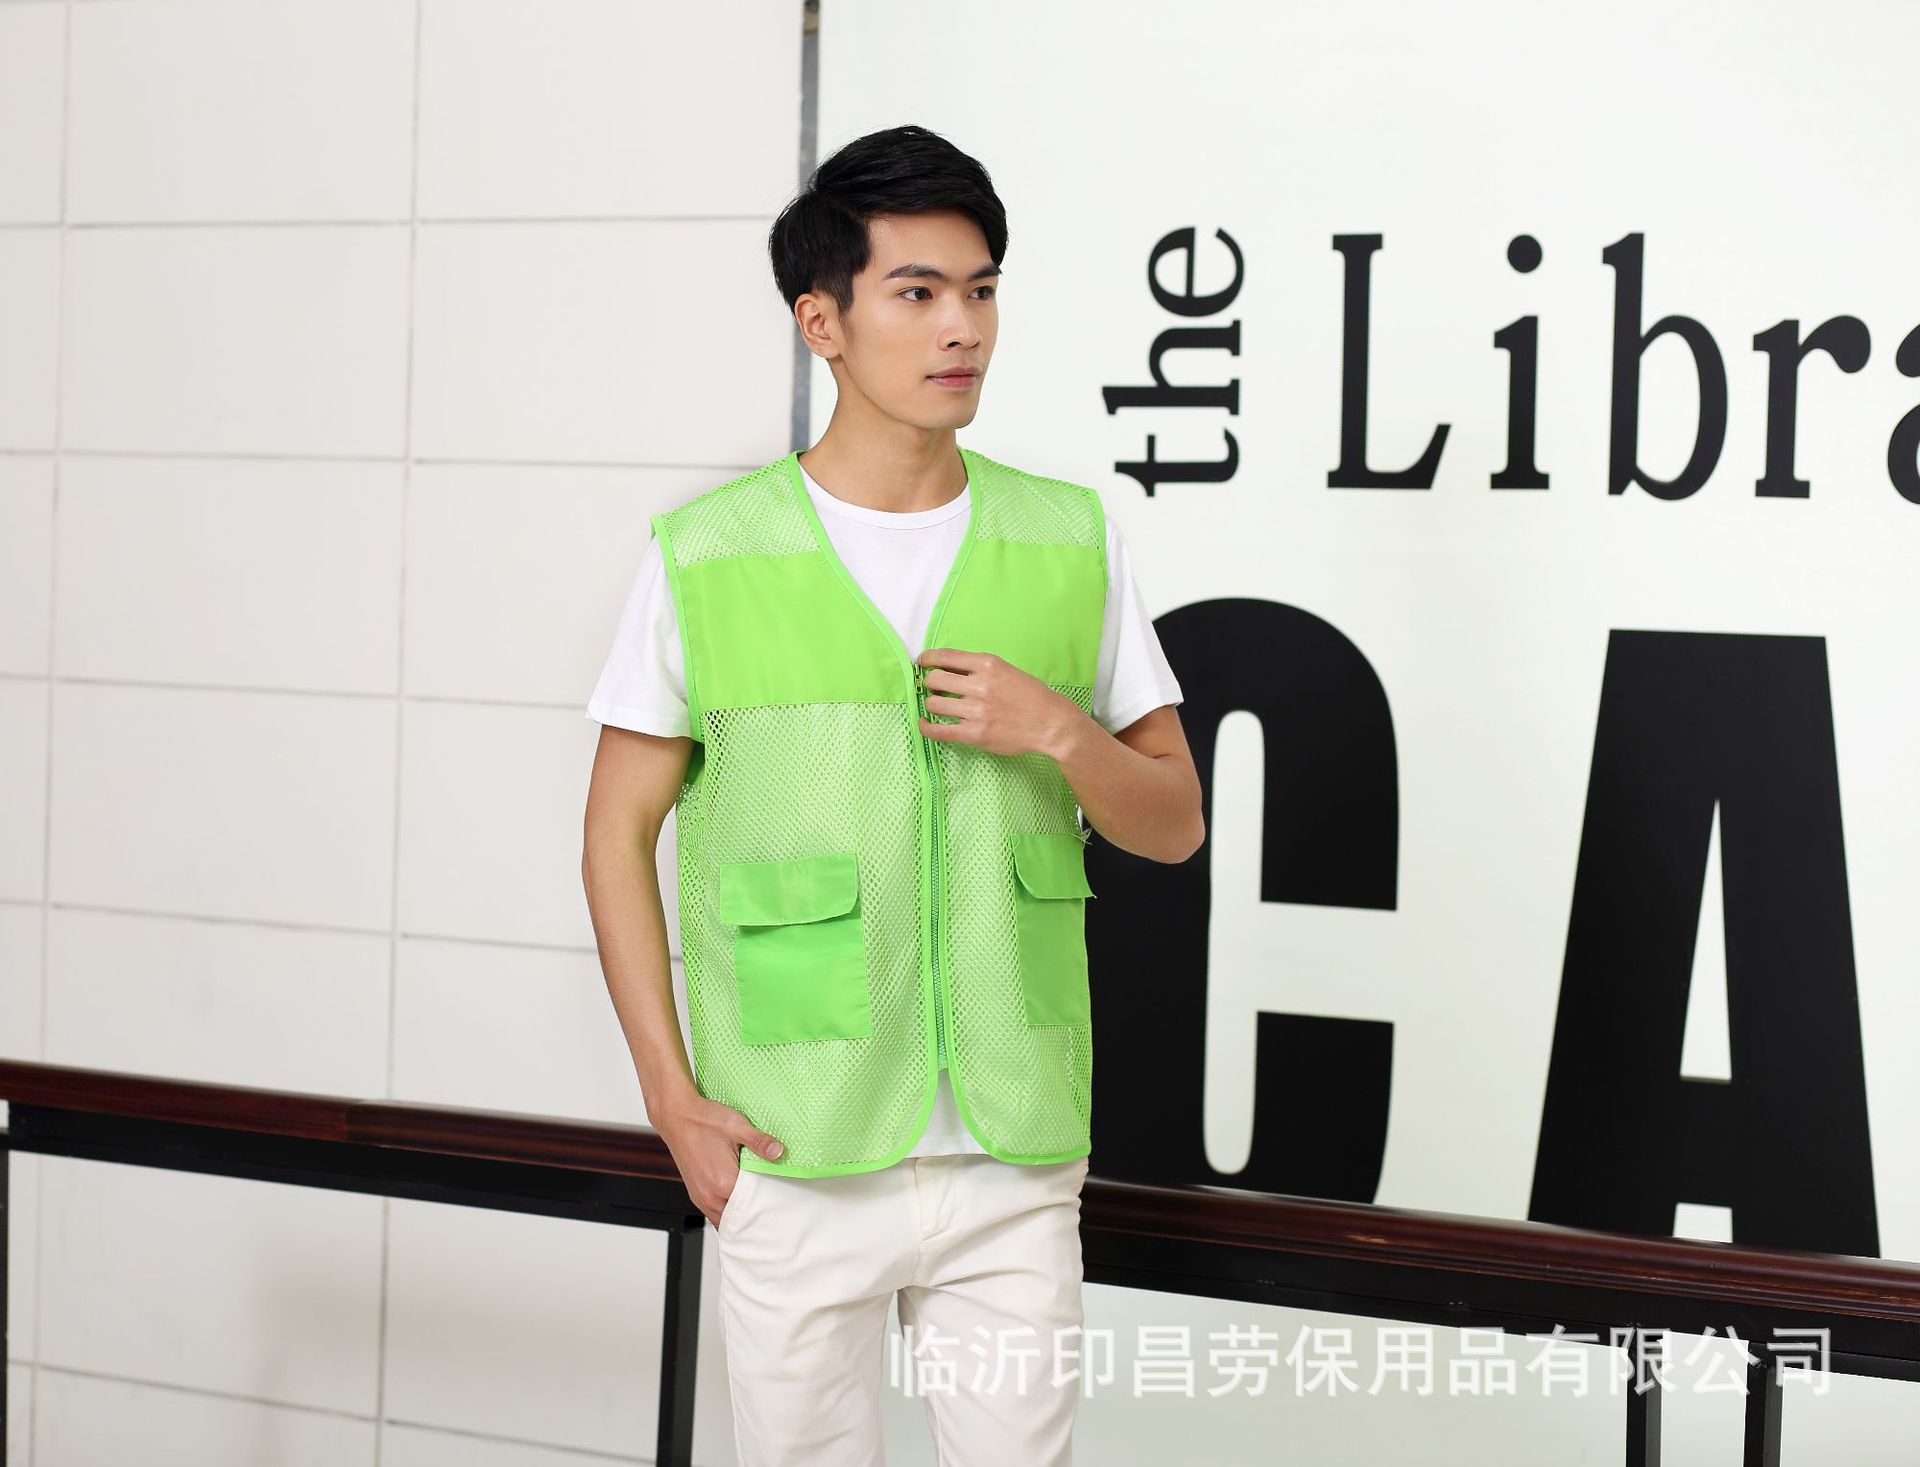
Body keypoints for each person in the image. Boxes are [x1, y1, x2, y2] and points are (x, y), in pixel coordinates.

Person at [581, 123, 1204, 1466]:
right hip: (795, 1140)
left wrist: (1060, 732)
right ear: (823, 321)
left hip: (1013, 1150)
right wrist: (671, 1097)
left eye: (980, 290)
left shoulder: (1068, 538)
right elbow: (615, 835)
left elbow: (1174, 821)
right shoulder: (708, 556)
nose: (961, 326)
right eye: (916, 293)